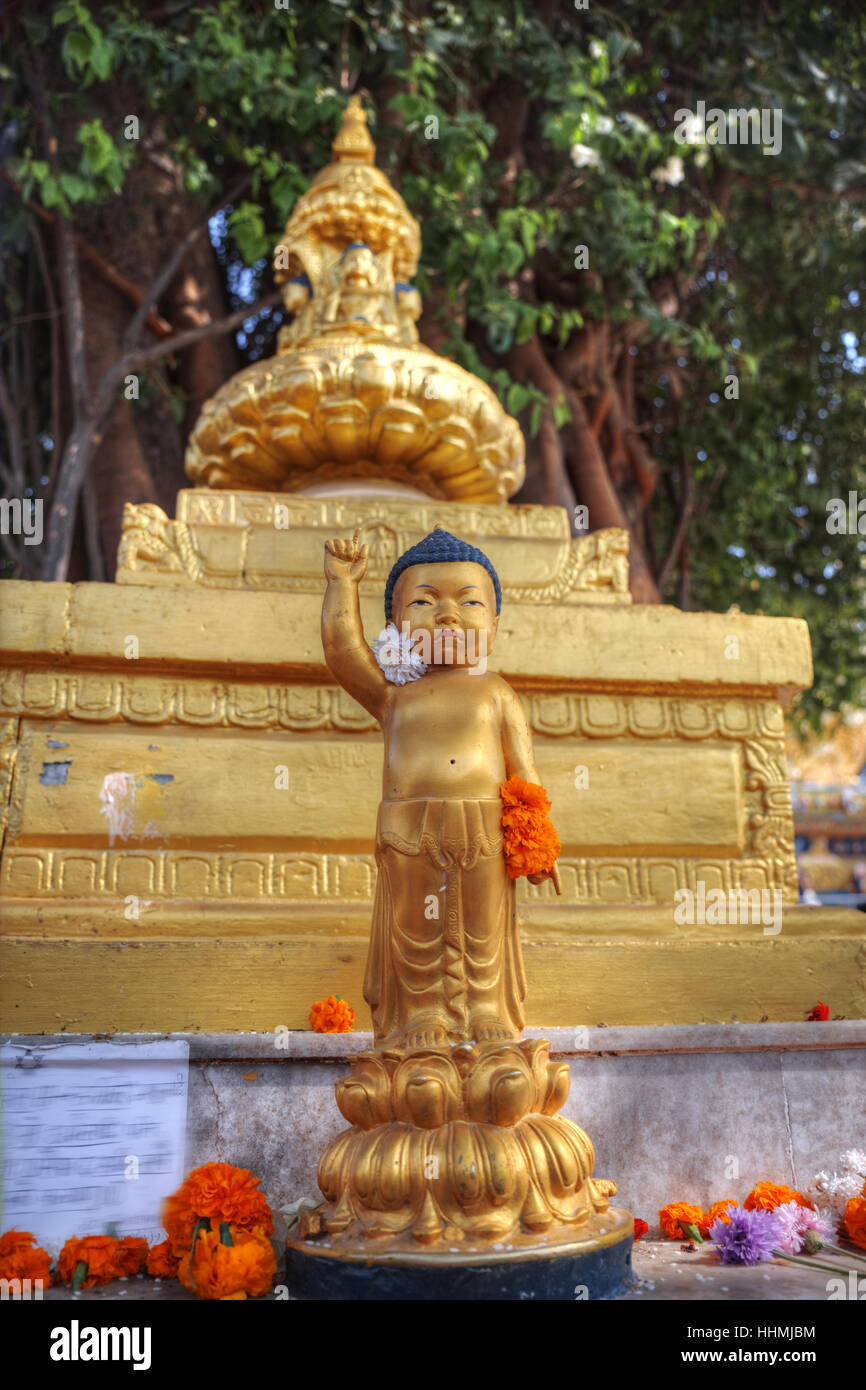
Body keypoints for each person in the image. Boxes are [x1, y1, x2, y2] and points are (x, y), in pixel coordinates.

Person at [321, 524, 560, 1050]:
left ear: (493, 624)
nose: (447, 615)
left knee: (482, 926)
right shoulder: (393, 693)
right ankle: (421, 1011)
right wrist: (342, 584)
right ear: (394, 625)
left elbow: (524, 772)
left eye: (469, 602)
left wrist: (538, 843)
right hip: (409, 827)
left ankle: (485, 1007)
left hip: (485, 828)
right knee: (416, 924)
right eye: (424, 602)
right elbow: (343, 651)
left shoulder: (496, 692)